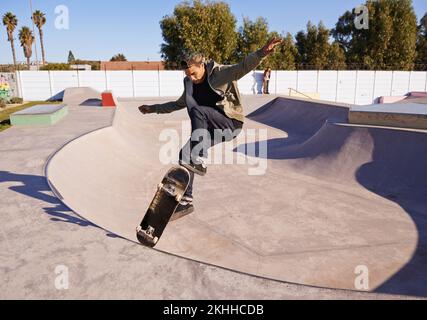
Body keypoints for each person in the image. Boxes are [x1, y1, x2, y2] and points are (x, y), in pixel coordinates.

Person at [138, 38, 282, 221]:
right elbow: (178, 104)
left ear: (202, 65)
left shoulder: (220, 74)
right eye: (188, 74)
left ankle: (199, 158)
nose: (191, 78)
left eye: (194, 73)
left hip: (230, 124)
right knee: (185, 156)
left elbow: (243, 67)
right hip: (210, 129)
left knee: (198, 113)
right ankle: (186, 201)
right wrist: (153, 109)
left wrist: (262, 52)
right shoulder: (189, 83)